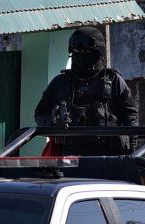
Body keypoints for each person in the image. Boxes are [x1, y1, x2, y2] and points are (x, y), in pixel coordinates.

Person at [34, 27, 138, 155]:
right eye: (77, 51)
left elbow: (131, 116)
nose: (81, 55)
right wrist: (53, 122)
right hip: (69, 160)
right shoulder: (60, 83)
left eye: (86, 51)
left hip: (107, 160)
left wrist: (131, 152)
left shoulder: (113, 81)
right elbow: (40, 113)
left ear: (97, 53)